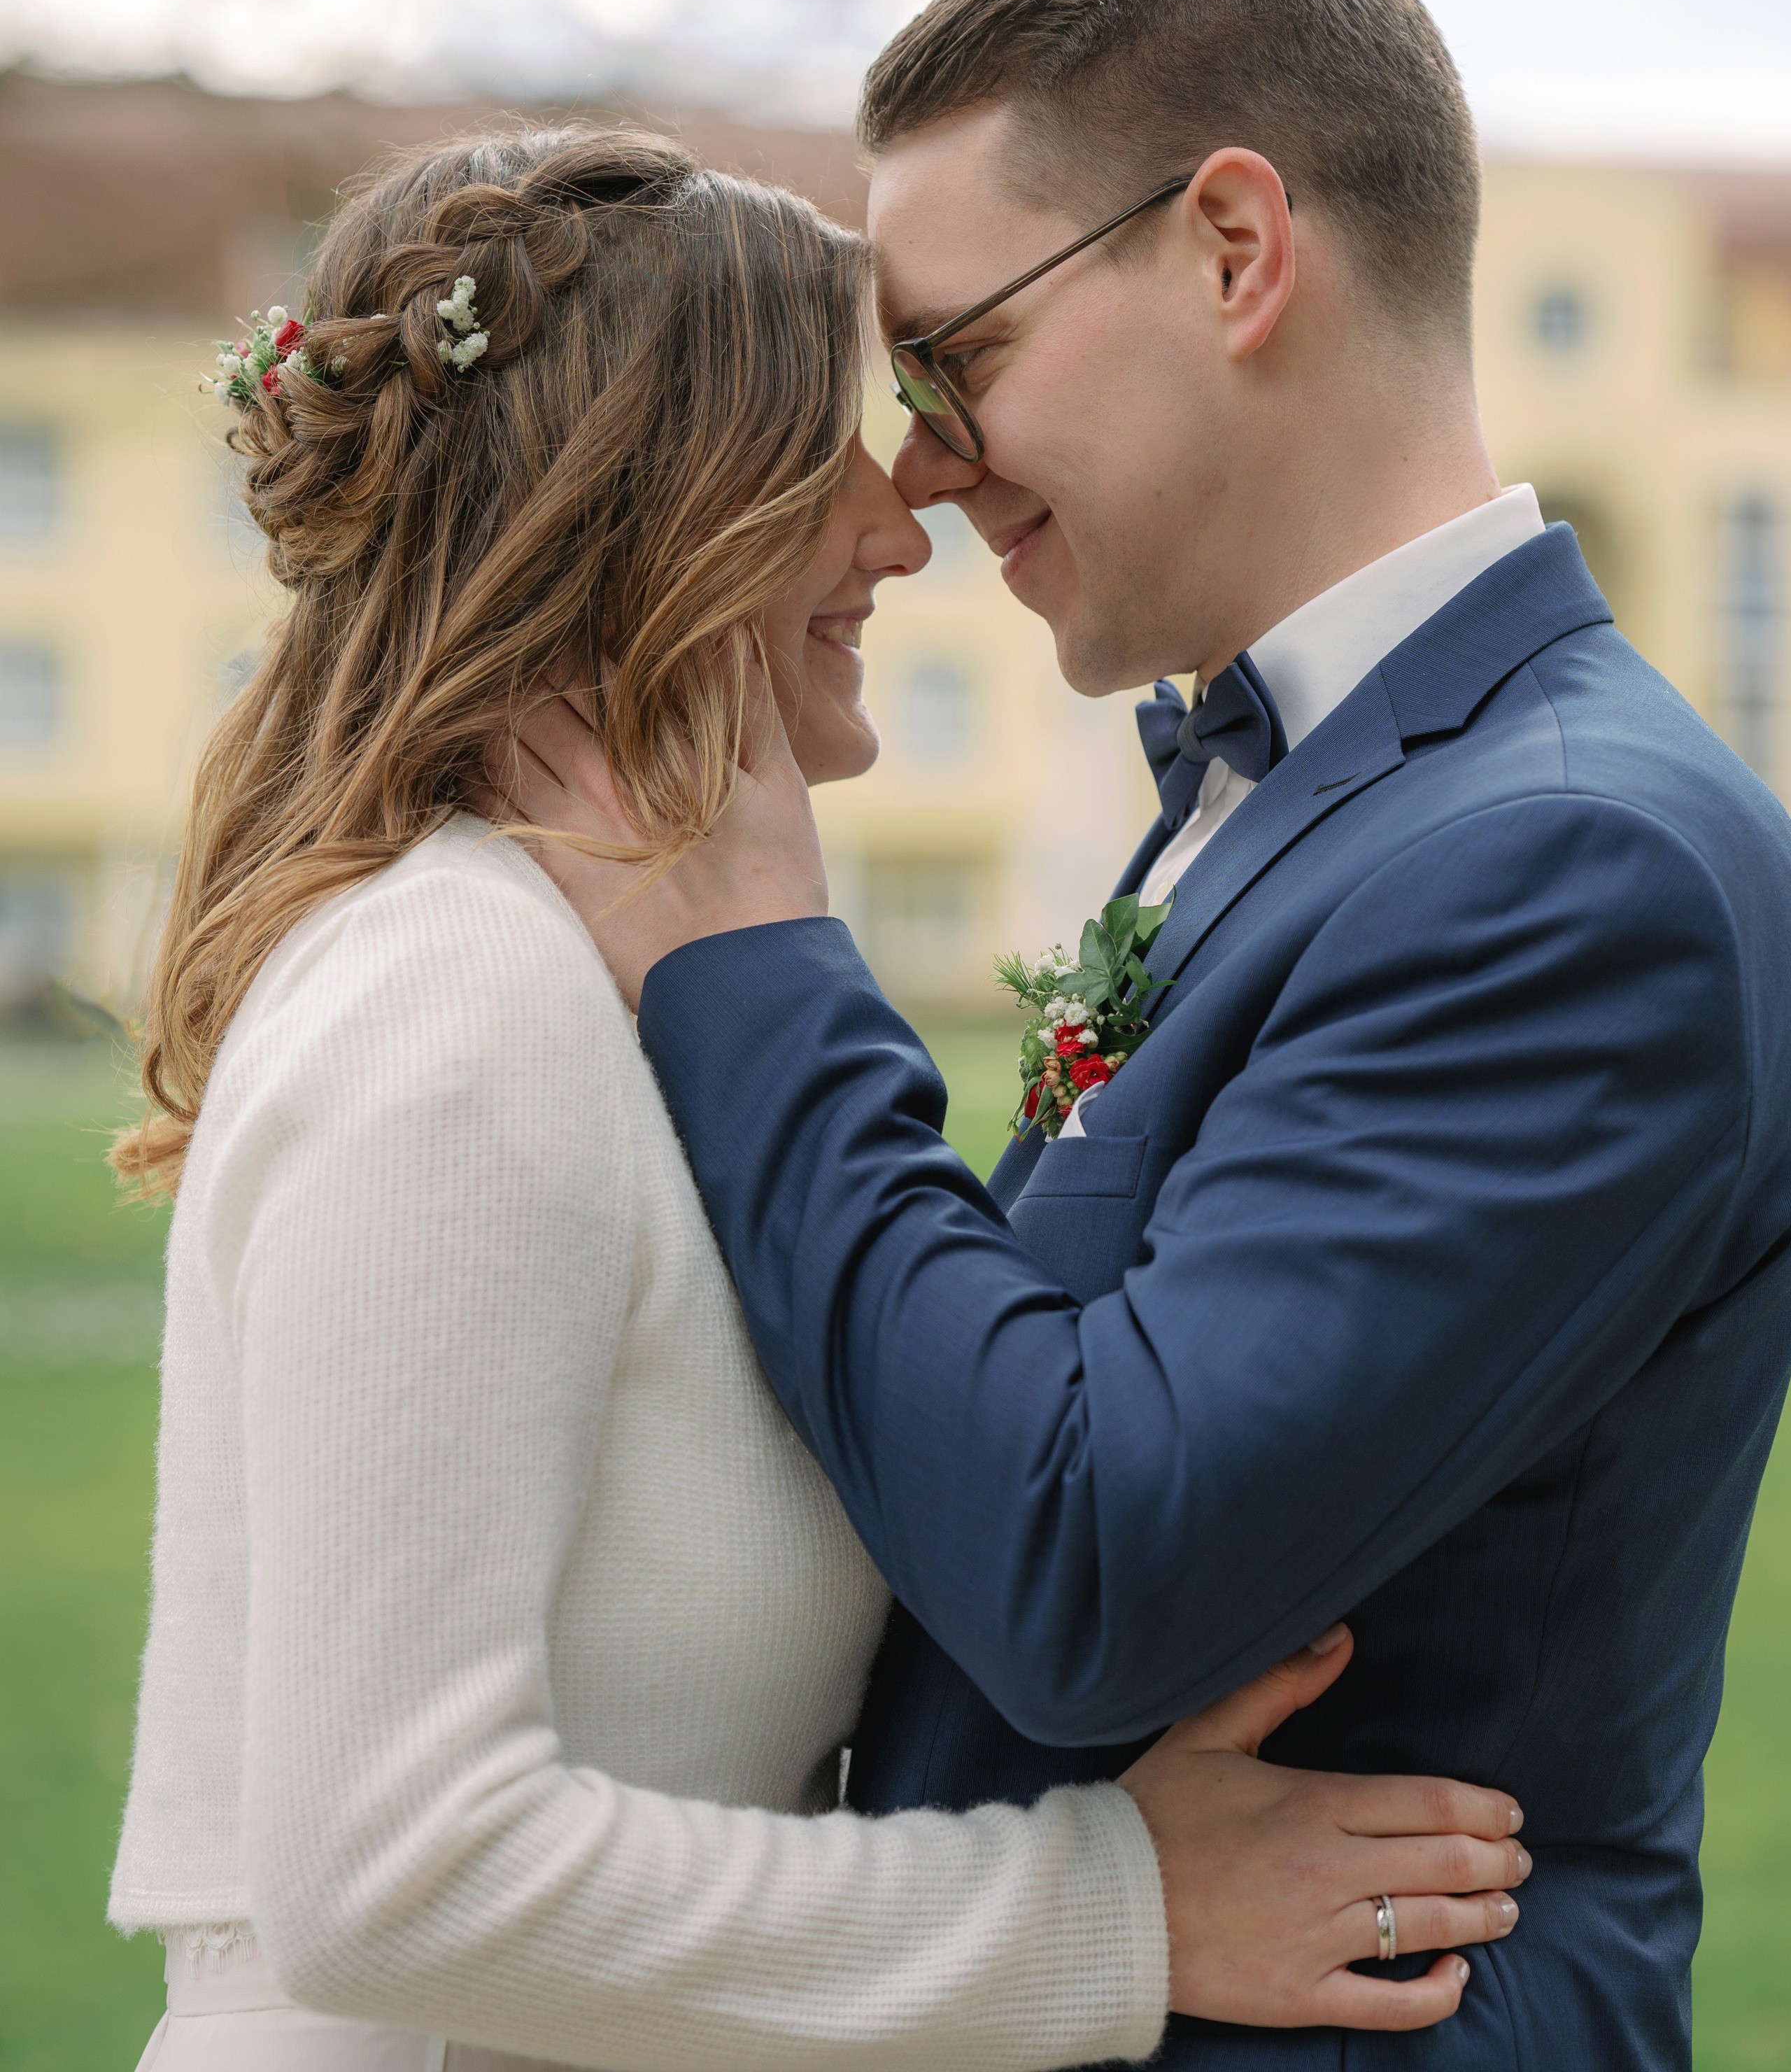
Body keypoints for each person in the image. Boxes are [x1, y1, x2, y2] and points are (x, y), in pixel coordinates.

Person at [490, 0, 1791, 2072]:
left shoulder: (1576, 867)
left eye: (956, 355)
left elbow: (1087, 1561)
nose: (916, 466)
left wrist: (753, 963)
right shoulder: (1308, 803)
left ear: (1235, 248)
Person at [108, 122, 1525, 2072]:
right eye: (826, 460)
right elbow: (393, 1874)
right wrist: (1114, 1908)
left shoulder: (584, 983)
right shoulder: (454, 999)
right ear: (653, 514)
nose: (899, 525)